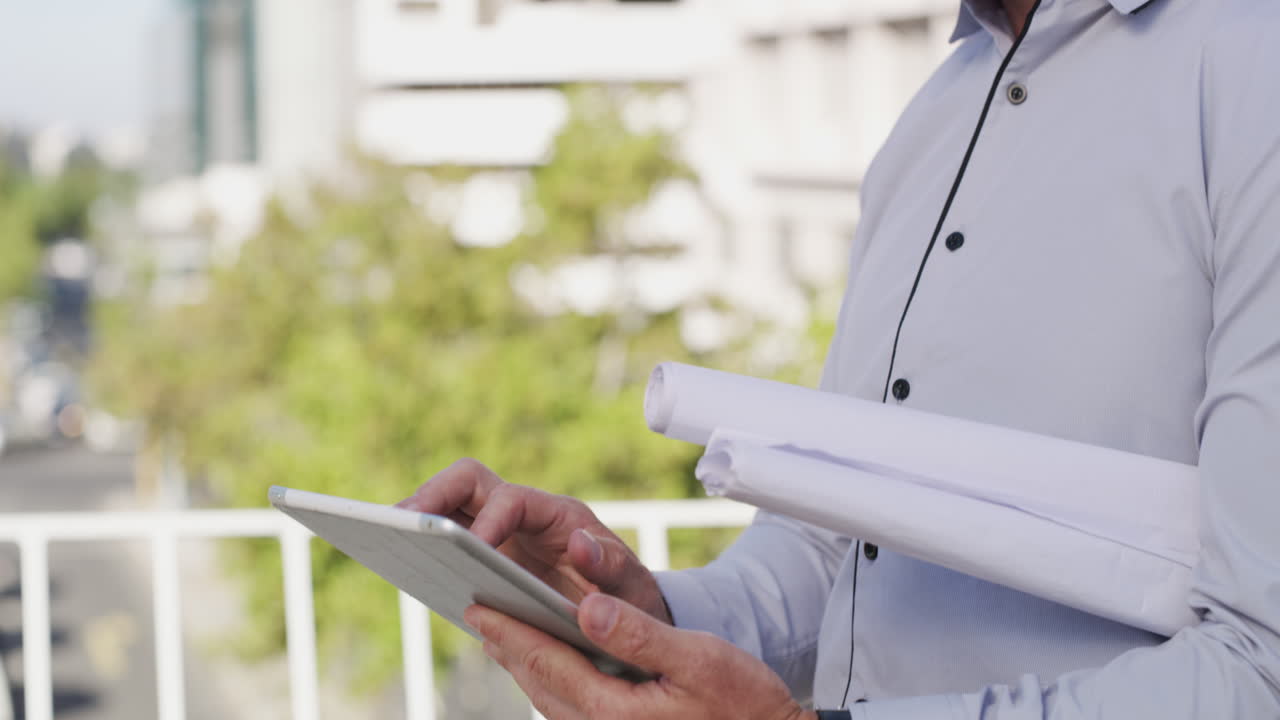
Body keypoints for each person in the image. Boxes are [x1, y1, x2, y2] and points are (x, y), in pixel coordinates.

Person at [397, 0, 1280, 717]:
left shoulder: (1250, 69)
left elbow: (1262, 667)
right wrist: (642, 616)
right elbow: (844, 546)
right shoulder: (935, 116)